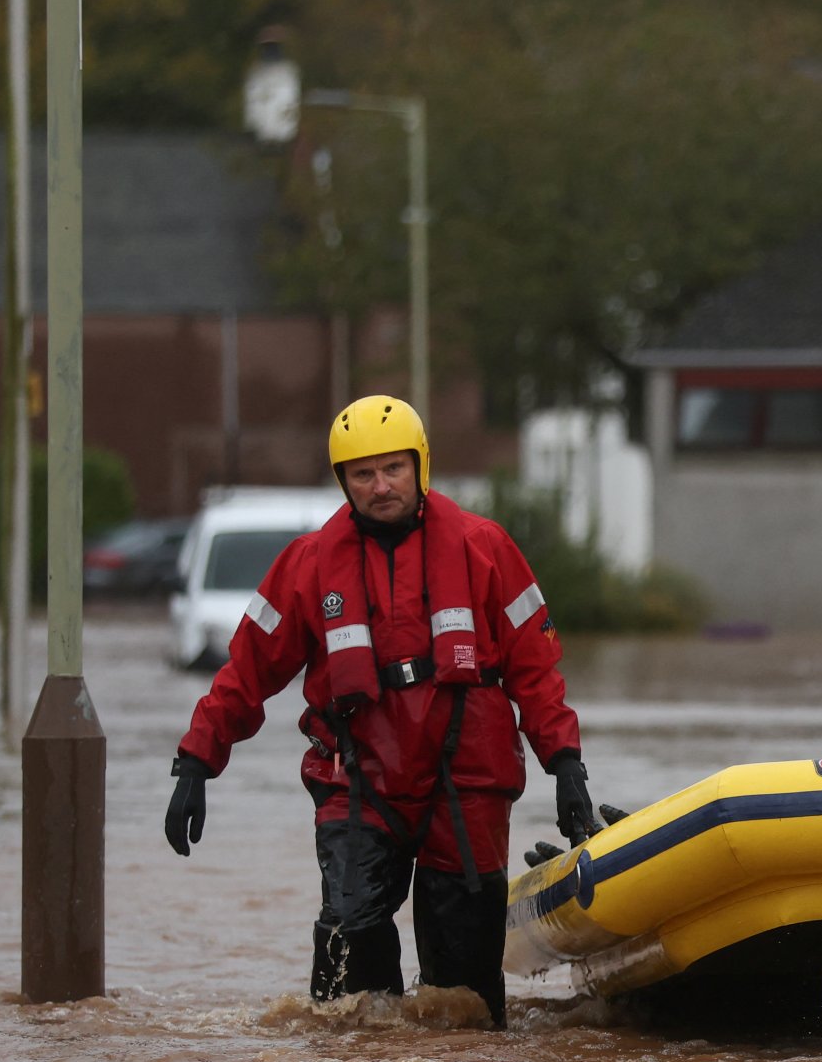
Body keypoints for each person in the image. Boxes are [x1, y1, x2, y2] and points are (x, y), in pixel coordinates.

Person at [162, 395, 597, 1028]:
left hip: (466, 776)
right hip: (361, 774)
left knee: (464, 989)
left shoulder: (485, 548)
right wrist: (197, 762)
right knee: (348, 954)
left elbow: (535, 671)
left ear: (420, 467)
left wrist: (566, 766)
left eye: (393, 468)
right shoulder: (307, 565)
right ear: (343, 481)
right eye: (363, 474)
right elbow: (246, 673)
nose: (380, 485)